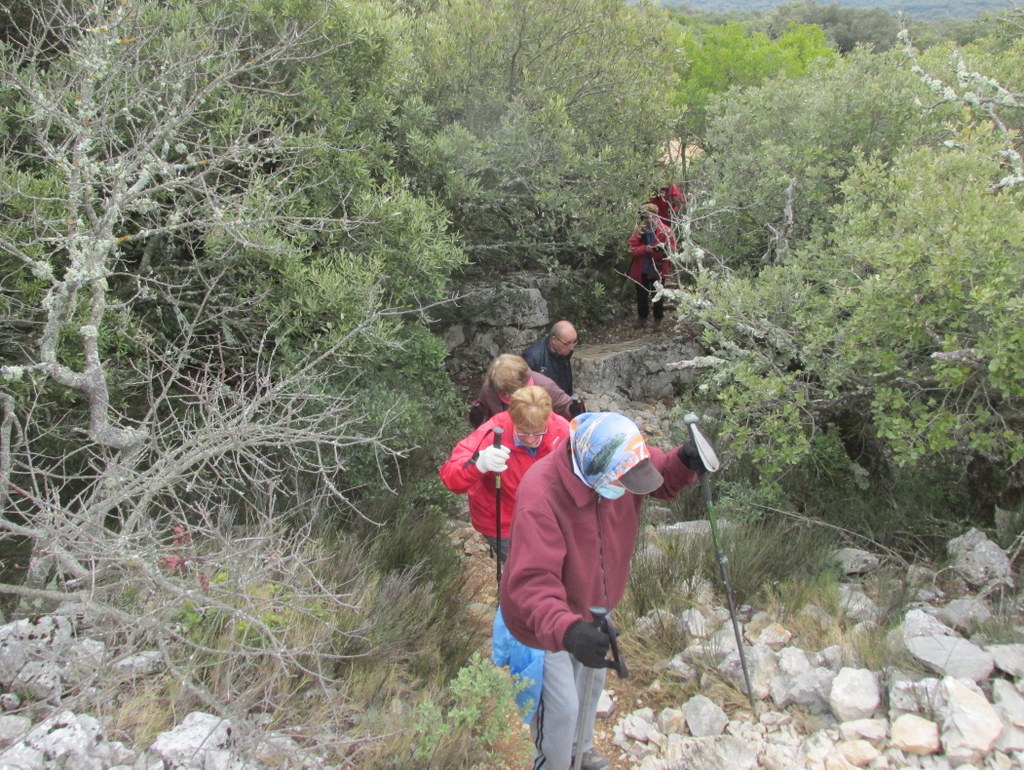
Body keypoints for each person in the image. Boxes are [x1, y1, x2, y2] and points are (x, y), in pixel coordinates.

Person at [499, 411, 706, 770]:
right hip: (546, 626)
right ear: (594, 474)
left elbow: (658, 473)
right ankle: (556, 763)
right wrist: (568, 630)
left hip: (593, 607)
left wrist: (684, 461)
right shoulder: (541, 493)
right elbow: (532, 583)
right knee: (560, 710)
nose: (626, 487)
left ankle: (583, 749)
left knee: (591, 690)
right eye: (620, 481)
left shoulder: (620, 455)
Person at [440, 386, 570, 563]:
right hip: (503, 523)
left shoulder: (561, 430)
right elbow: (451, 478)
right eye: (523, 432)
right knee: (521, 571)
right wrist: (479, 464)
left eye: (538, 432)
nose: (531, 439)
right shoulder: (492, 432)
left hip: (546, 518)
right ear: (512, 419)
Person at [468, 353, 574, 428]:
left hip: (538, 437)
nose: (506, 395)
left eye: (509, 391)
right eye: (502, 391)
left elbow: (566, 408)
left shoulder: (544, 385)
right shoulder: (489, 388)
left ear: (522, 382)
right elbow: (484, 417)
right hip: (503, 440)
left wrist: (575, 410)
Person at [628, 203, 676, 331]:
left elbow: (673, 250)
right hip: (641, 268)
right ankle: (642, 317)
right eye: (646, 217)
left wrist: (664, 249)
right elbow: (631, 250)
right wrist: (646, 248)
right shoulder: (638, 231)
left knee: (658, 295)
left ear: (656, 216)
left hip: (658, 268)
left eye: (652, 217)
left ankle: (658, 319)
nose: (649, 220)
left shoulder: (666, 231)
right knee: (641, 295)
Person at [521, 320, 586, 416]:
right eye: (568, 343)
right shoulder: (532, 357)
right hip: (543, 409)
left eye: (574, 343)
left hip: (564, 397)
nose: (572, 348)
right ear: (554, 340)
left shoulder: (565, 350)